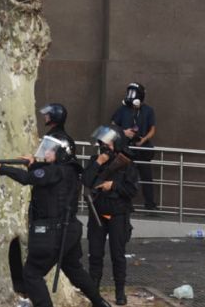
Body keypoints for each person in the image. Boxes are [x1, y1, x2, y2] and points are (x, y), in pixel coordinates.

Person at [0, 137, 111, 307]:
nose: (47, 153)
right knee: (74, 270)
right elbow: (43, 175)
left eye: (51, 150)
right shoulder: (70, 170)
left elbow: (28, 178)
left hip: (51, 232)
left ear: (61, 153)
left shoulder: (56, 171)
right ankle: (100, 303)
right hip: (70, 230)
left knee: (32, 274)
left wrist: (2, 167)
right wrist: (33, 163)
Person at [83, 125, 139, 306]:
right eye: (102, 142)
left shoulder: (126, 163)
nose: (103, 145)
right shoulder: (95, 160)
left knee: (118, 255)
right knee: (95, 254)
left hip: (118, 214)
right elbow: (85, 180)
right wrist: (98, 163)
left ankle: (120, 292)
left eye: (107, 142)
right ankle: (94, 292)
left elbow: (131, 190)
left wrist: (113, 185)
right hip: (97, 213)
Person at [110, 83, 158, 211]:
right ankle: (126, 204)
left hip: (143, 149)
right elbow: (113, 125)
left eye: (134, 93)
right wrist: (124, 132)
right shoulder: (123, 109)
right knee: (125, 176)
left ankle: (150, 205)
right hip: (126, 149)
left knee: (146, 177)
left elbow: (152, 129)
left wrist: (144, 139)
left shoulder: (148, 110)